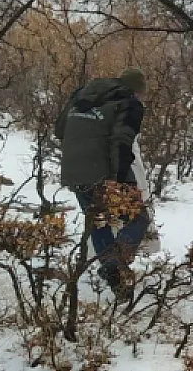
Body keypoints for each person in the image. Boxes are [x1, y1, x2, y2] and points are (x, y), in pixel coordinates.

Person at [54, 67, 151, 301]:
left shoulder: (81, 96)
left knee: (99, 222)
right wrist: (118, 180)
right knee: (138, 218)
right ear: (137, 90)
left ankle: (116, 281)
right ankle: (115, 262)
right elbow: (122, 140)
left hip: (74, 172)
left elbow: (59, 130)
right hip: (103, 173)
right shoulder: (128, 103)